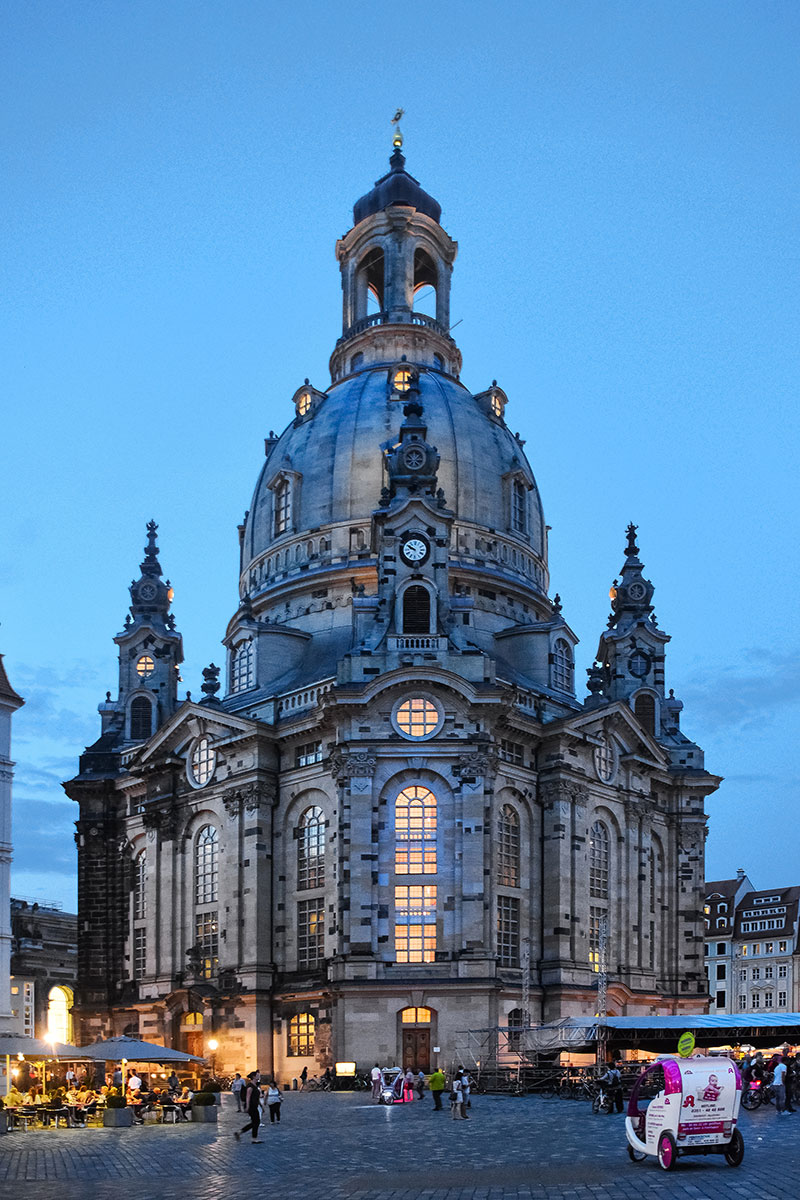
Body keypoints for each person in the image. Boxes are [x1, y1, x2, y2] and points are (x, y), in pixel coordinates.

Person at [235, 1071, 263, 1143]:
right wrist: (247, 1107)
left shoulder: (255, 1085)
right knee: (256, 1122)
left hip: (254, 1105)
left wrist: (261, 1105)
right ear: (254, 1077)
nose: (259, 1075)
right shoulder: (250, 1086)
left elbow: (256, 1097)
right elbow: (248, 1097)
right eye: (257, 1075)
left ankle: (240, 1132)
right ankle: (254, 1138)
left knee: (255, 1122)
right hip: (251, 1106)